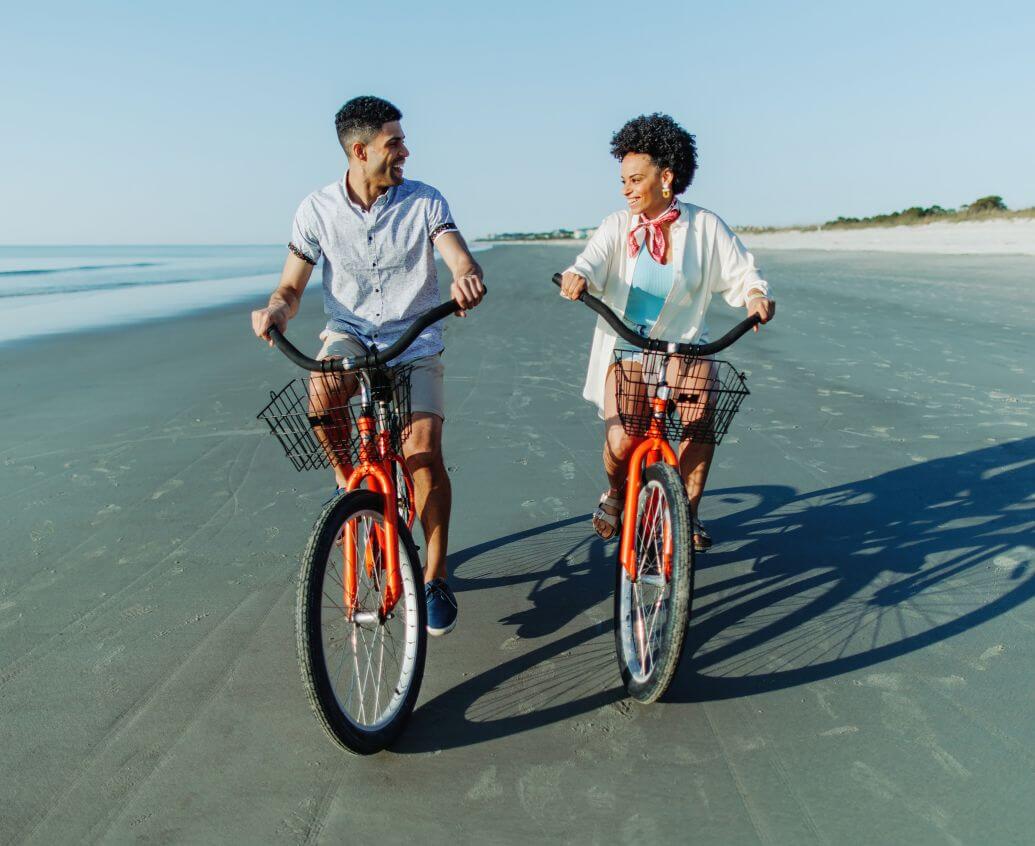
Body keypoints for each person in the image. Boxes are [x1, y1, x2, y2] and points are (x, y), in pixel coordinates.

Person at [251, 95, 485, 636]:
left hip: (415, 339)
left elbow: (456, 253)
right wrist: (276, 312)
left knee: (422, 452)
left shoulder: (425, 201)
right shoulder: (316, 210)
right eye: (394, 142)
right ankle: (345, 479)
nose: (406, 150)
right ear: (360, 151)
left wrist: (465, 275)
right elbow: (290, 286)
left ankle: (434, 575)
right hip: (351, 334)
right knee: (323, 391)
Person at [559, 113, 775, 550]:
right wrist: (577, 275)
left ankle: (686, 511)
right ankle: (618, 493)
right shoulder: (617, 226)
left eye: (635, 179)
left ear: (667, 178)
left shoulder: (704, 226)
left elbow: (744, 273)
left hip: (686, 345)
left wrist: (755, 295)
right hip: (627, 344)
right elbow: (590, 260)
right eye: (623, 180)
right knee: (622, 441)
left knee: (699, 423)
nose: (626, 189)